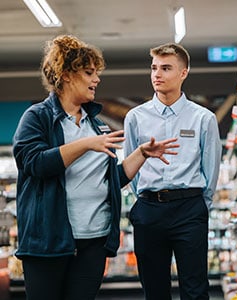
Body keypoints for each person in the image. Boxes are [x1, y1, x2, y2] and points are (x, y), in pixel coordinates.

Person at [12, 35, 179, 300]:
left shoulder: (93, 123)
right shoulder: (38, 117)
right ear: (66, 75)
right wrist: (86, 145)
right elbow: (33, 163)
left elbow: (109, 179)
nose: (96, 80)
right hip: (49, 242)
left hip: (94, 241)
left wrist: (141, 155)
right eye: (89, 73)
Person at [124, 43, 222, 300]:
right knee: (154, 290)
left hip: (189, 209)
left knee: (195, 289)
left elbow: (211, 169)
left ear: (183, 73)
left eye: (166, 68)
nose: (157, 74)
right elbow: (130, 167)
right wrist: (145, 199)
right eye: (154, 68)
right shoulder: (135, 117)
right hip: (149, 209)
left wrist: (200, 205)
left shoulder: (203, 118)